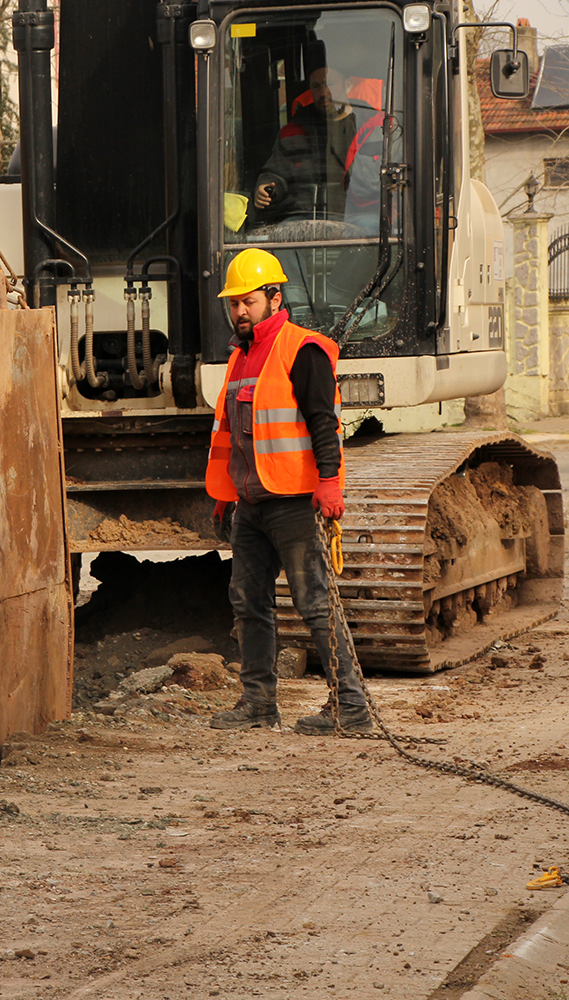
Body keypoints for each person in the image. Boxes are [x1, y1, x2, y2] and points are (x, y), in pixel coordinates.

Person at [204, 248, 372, 735]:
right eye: (233, 303)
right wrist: (227, 490)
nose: (239, 311)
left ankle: (351, 707)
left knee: (315, 601)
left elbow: (325, 423)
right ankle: (258, 703)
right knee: (248, 601)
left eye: (248, 301)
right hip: (252, 502)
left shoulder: (302, 349)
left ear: (275, 298)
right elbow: (235, 432)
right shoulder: (240, 356)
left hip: (295, 501)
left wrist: (328, 482)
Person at [253, 66, 364, 223]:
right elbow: (276, 173)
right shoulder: (293, 131)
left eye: (330, 84)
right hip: (302, 217)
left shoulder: (371, 127)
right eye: (316, 86)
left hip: (357, 215)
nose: (323, 92)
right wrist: (264, 187)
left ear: (348, 85)